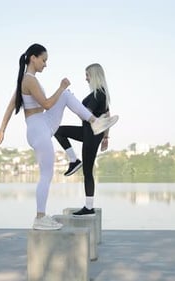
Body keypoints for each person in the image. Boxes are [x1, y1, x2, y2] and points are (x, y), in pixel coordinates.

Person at [0, 44, 118, 230]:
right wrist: (60, 88)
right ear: (33, 58)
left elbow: (11, 106)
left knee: (67, 95)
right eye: (44, 60)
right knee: (46, 174)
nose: (45, 64)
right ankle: (40, 217)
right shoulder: (29, 80)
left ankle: (93, 123)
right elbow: (46, 104)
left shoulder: (26, 80)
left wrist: (2, 129)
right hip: (39, 128)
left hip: (42, 123)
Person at [54, 63, 112, 217]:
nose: (86, 78)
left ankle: (89, 207)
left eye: (87, 75)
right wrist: (106, 137)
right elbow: (107, 115)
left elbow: (86, 114)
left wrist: (73, 103)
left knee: (88, 171)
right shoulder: (100, 93)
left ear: (94, 76)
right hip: (88, 132)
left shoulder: (98, 93)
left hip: (92, 135)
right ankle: (74, 160)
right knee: (58, 131)